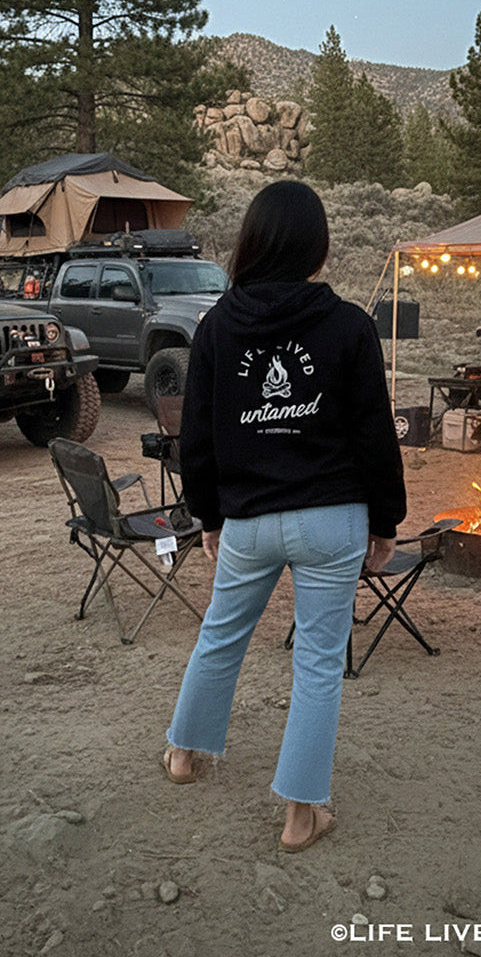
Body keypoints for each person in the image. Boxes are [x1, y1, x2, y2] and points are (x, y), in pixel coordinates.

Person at [163, 180, 406, 852]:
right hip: (332, 517)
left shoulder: (217, 326)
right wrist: (386, 522)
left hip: (250, 518)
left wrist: (207, 516)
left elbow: (198, 438)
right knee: (321, 662)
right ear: (318, 247)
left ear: (251, 241)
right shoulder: (350, 326)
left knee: (221, 635)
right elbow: (373, 435)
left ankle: (185, 755)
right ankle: (301, 817)